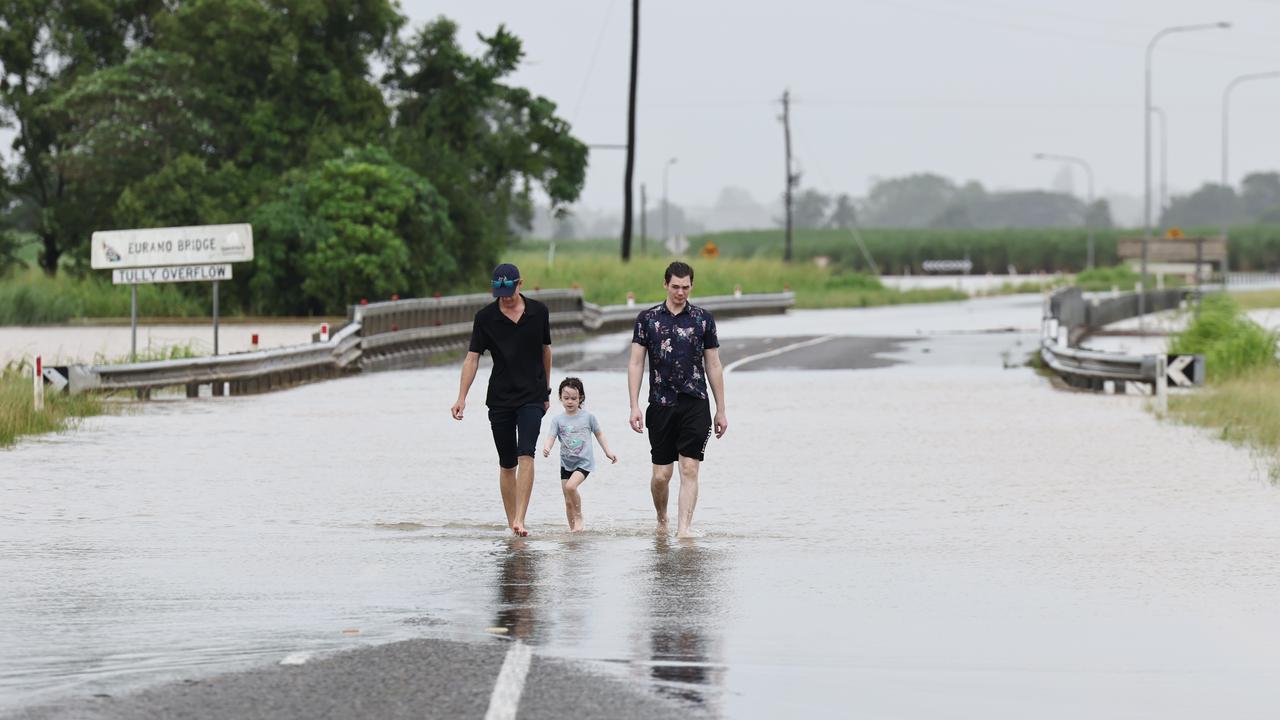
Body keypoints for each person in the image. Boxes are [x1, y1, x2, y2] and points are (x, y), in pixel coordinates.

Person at [628, 261, 728, 538]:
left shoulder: (703, 319)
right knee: (661, 475)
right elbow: (636, 363)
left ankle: (684, 529)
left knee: (690, 467)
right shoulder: (647, 319)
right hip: (660, 403)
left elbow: (714, 365)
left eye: (685, 287)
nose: (680, 292)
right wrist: (634, 405)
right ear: (665, 284)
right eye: (675, 287)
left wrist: (721, 410)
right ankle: (662, 518)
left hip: (695, 401)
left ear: (692, 286)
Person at [452, 263, 552, 537]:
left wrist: (547, 389)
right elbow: (472, 358)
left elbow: (546, 351)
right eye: (499, 292)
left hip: (532, 394)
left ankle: (521, 518)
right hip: (500, 397)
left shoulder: (538, 312)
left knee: (526, 452)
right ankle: (512, 524)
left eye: (509, 291)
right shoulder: (485, 318)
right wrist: (462, 397)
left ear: (520, 284)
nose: (505, 297)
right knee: (507, 462)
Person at [542, 377, 618, 532]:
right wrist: (547, 447)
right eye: (566, 398)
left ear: (581, 398)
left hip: (584, 463)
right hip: (566, 464)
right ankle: (574, 532)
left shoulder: (588, 417)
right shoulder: (558, 420)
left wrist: (608, 452)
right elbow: (551, 436)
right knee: (567, 500)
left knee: (571, 487)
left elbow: (599, 434)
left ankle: (579, 517)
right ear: (560, 398)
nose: (570, 402)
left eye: (574, 398)